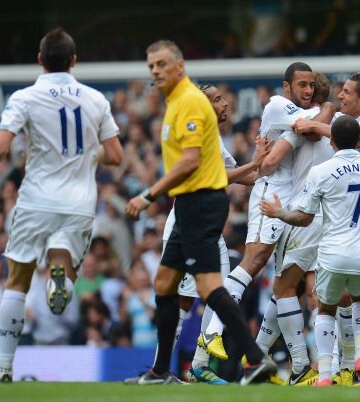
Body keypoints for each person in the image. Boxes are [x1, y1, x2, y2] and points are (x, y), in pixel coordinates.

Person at [124, 40, 275, 385]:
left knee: (208, 287)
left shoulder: (190, 101)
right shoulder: (177, 102)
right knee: (165, 284)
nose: (156, 71)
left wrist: (149, 194)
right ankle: (161, 371)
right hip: (190, 203)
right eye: (151, 66)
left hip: (200, 203)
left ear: (180, 65)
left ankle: (254, 359)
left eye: (162, 64)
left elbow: (191, 161)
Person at [0, 28, 123, 383]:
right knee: (63, 260)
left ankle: (3, 369)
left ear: (40, 60)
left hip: (36, 199)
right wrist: (87, 151)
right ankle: (60, 272)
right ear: (74, 61)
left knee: (17, 281)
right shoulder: (95, 99)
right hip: (79, 201)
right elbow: (116, 156)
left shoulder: (26, 97)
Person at [199, 62, 333, 378]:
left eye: (311, 85)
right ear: (286, 87)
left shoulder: (309, 116)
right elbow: (301, 132)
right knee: (254, 262)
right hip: (271, 195)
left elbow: (284, 149)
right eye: (301, 84)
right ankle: (212, 333)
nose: (307, 90)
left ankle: (289, 363)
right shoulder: (278, 106)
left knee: (285, 286)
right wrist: (326, 107)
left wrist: (258, 166)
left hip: (293, 205)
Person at [260, 115, 360, 386]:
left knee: (326, 310)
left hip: (331, 254)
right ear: (358, 140)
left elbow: (303, 218)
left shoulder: (321, 171)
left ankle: (326, 374)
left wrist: (278, 212)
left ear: (332, 140)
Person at [293, 72, 360, 381]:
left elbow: (354, 137)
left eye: (347, 92)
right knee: (344, 296)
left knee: (333, 298)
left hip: (354, 223)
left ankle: (336, 368)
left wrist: (313, 125)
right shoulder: (354, 121)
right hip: (344, 218)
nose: (340, 96)